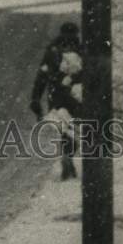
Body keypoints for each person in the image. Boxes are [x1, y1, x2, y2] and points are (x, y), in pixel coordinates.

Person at [29, 21, 84, 180]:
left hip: (57, 96)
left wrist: (36, 98)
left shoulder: (52, 51)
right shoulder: (81, 50)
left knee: (65, 129)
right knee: (73, 128)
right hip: (75, 95)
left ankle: (67, 158)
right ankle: (68, 156)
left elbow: (42, 76)